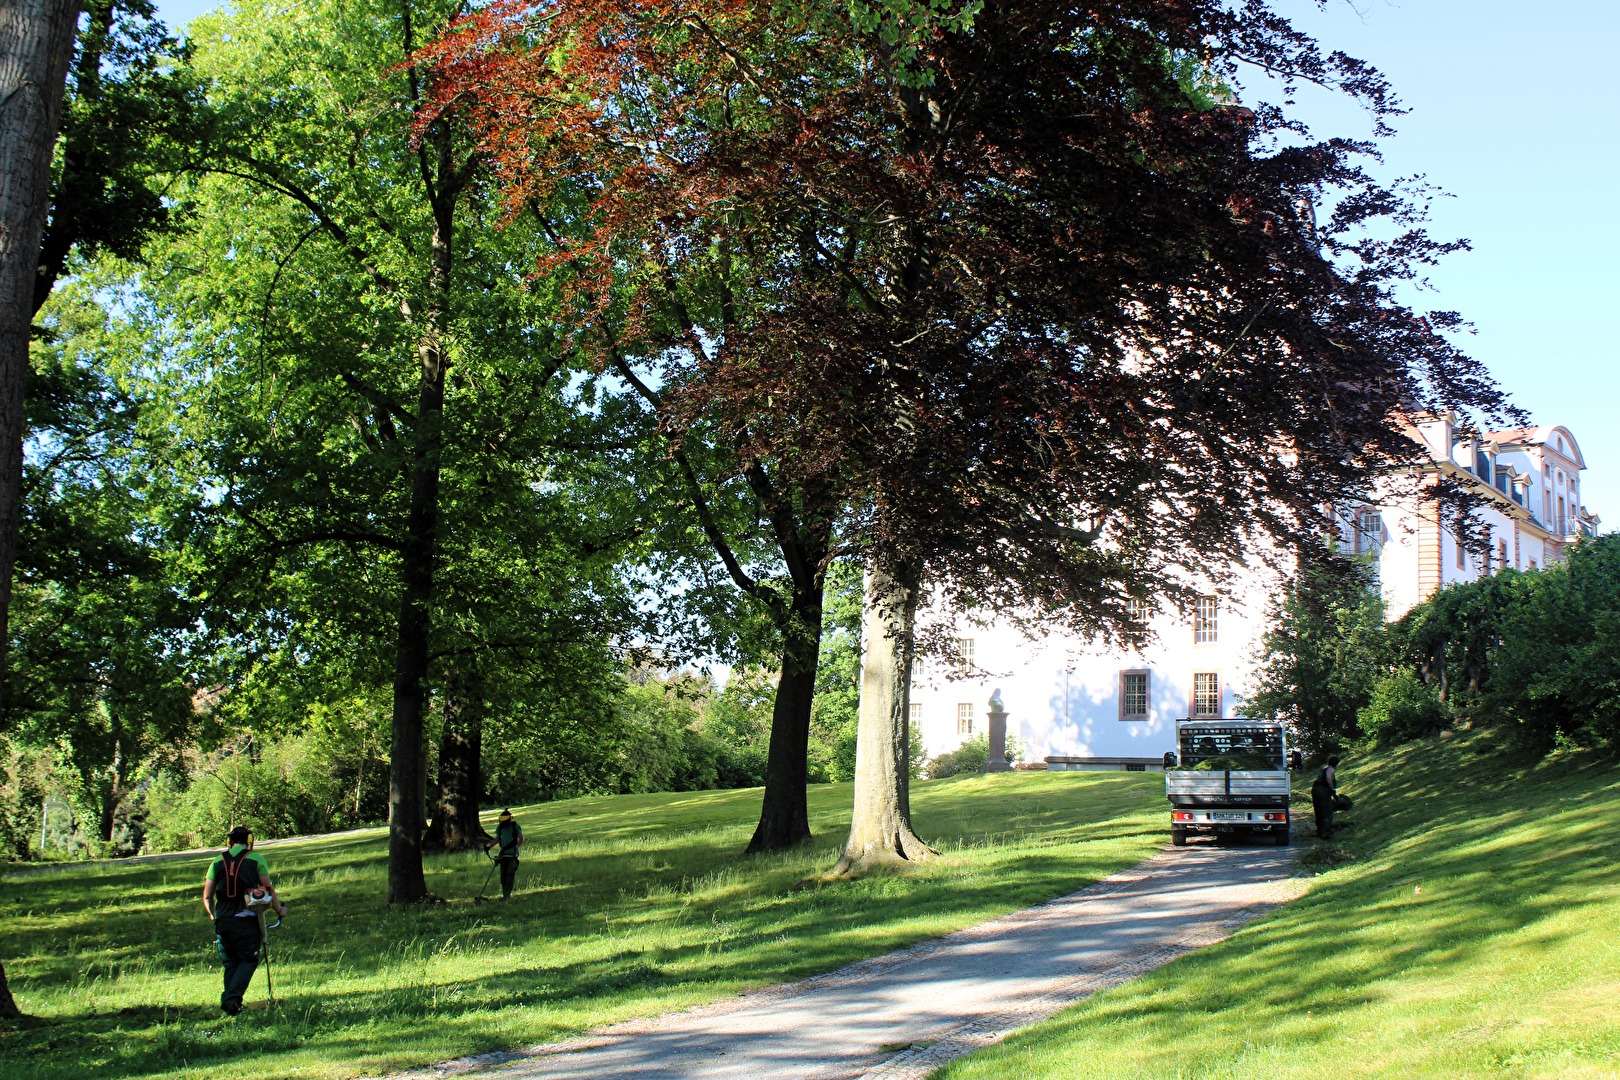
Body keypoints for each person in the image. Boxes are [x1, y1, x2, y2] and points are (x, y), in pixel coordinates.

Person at [201, 825, 287, 1014]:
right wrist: (280, 910)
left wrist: (213, 914)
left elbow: (207, 896)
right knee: (248, 960)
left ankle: (232, 1005)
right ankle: (231, 999)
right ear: (249, 841)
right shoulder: (256, 859)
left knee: (230, 963)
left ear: (229, 842)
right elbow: (268, 890)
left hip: (223, 920)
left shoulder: (217, 861)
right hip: (246, 920)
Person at [492, 809, 523, 899]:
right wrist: (488, 846)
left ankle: (507, 894)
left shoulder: (515, 826)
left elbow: (521, 838)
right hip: (503, 855)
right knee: (503, 875)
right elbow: (497, 839)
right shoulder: (500, 827)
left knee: (510, 874)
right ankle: (504, 893)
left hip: (512, 855)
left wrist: (517, 847)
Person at [1311, 755, 1342, 840]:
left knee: (1318, 810)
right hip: (1323, 790)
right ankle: (1325, 833)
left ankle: (1319, 830)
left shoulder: (1323, 768)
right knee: (1327, 811)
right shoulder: (1330, 769)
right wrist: (1332, 789)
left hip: (1315, 789)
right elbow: (1328, 777)